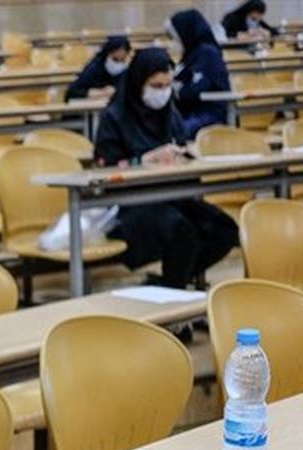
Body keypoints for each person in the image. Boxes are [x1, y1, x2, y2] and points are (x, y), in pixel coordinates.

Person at [94, 48, 240, 289]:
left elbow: (179, 144)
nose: (162, 92)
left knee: (224, 229)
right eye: (156, 86)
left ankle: (169, 283)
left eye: (167, 85)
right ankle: (175, 289)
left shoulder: (170, 113)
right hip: (132, 203)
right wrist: (145, 160)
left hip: (173, 196)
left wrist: (185, 155)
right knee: (182, 232)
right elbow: (105, 167)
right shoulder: (115, 117)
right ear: (138, 83)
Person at [167, 9, 232, 138]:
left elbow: (195, 88)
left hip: (209, 114)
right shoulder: (192, 53)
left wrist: (178, 88)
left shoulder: (207, 53)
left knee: (175, 132)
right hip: (190, 111)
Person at [65, 35, 132, 100]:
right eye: (115, 59)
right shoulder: (94, 68)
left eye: (123, 60)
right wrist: (100, 93)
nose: (119, 63)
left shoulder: (126, 71)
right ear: (107, 54)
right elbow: (72, 92)